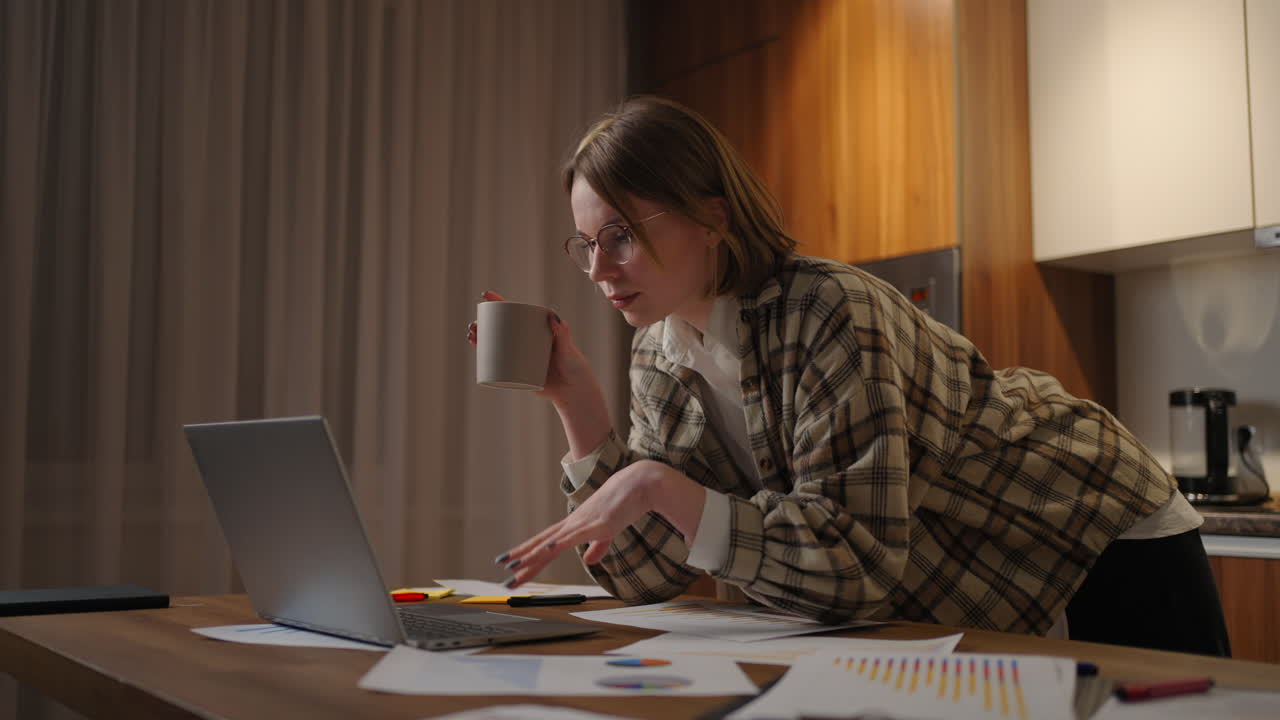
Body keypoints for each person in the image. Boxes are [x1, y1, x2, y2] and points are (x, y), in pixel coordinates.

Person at [467, 96, 1230, 656]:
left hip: (1085, 523)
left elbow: (855, 563)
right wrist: (578, 405)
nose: (597, 268)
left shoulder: (828, 310)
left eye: (620, 235)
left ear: (711, 218)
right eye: (585, 244)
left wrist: (663, 488)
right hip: (957, 574)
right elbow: (647, 572)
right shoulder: (660, 357)